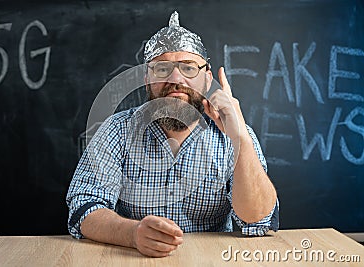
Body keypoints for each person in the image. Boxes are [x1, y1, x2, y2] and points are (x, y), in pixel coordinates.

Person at [66, 11, 279, 258]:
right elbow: (84, 207)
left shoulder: (234, 135)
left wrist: (240, 138)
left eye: (188, 68)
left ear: (207, 78)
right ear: (147, 79)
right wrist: (132, 233)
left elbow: (257, 221)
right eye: (162, 68)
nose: (176, 78)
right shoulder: (117, 130)